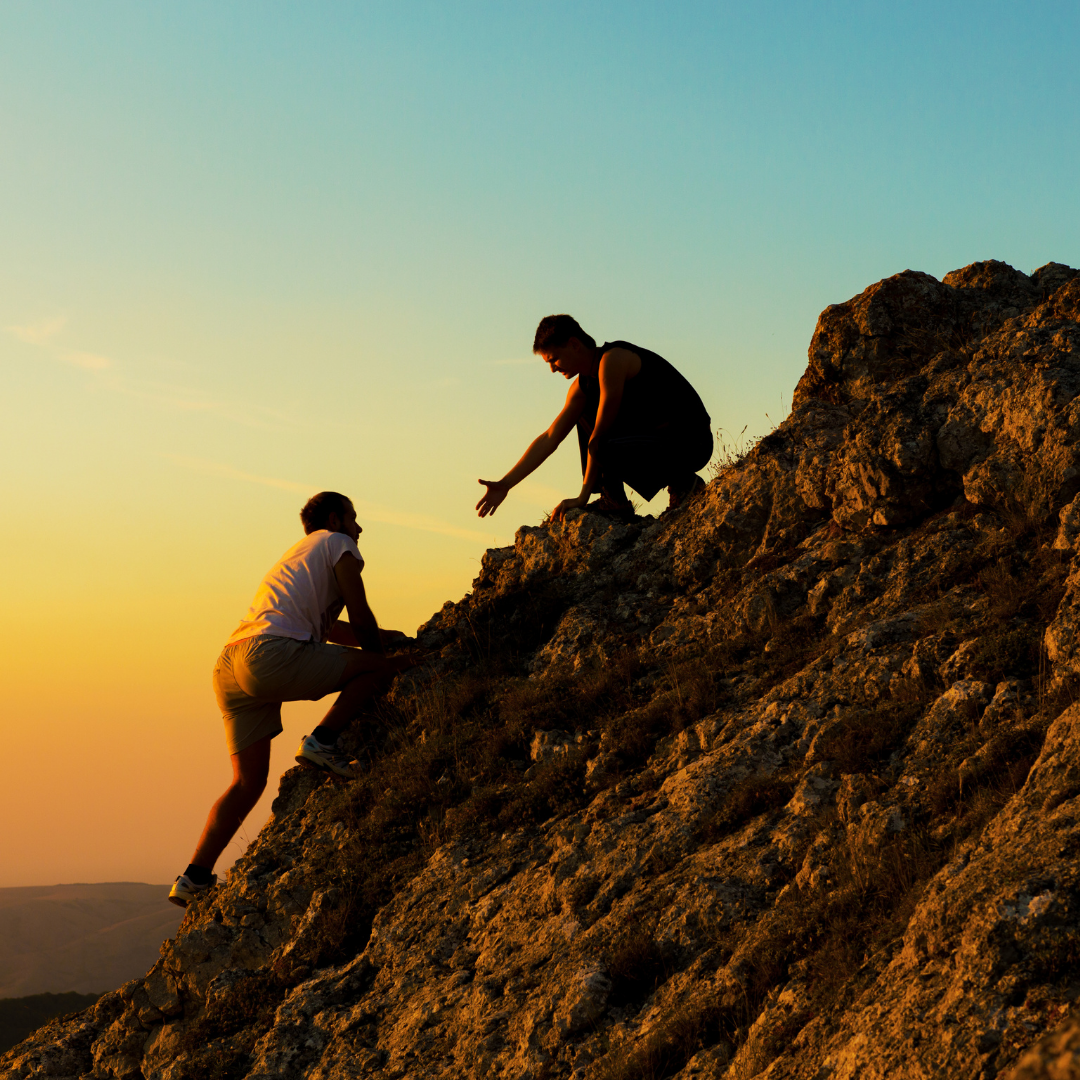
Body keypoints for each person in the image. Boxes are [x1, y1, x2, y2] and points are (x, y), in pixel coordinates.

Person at [168, 491, 417, 907]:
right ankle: (323, 742)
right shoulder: (340, 545)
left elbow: (327, 629)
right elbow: (359, 612)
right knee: (376, 667)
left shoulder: (299, 554)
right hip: (271, 655)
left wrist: (382, 636)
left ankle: (193, 877)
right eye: (354, 519)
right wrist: (385, 654)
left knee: (247, 782)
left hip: (231, 663)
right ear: (336, 520)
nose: (359, 528)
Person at [476, 315, 712, 522]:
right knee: (584, 415)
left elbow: (600, 436)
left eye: (553, 359)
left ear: (574, 344)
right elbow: (550, 438)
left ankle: (684, 484)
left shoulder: (613, 360)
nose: (552, 369)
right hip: (656, 442)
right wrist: (505, 484)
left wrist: (583, 495)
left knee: (600, 439)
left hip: (691, 443)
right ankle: (615, 501)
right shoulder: (582, 387)